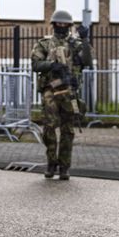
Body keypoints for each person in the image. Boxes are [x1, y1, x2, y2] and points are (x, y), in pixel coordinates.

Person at [30, 9, 93, 180]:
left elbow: (87, 61)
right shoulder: (44, 43)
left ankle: (64, 166)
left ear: (69, 25)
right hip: (51, 89)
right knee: (49, 127)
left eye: (65, 24)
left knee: (68, 130)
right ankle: (52, 162)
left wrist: (86, 39)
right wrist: (52, 65)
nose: (62, 26)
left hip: (69, 91)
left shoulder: (76, 44)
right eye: (59, 23)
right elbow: (35, 64)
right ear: (54, 24)